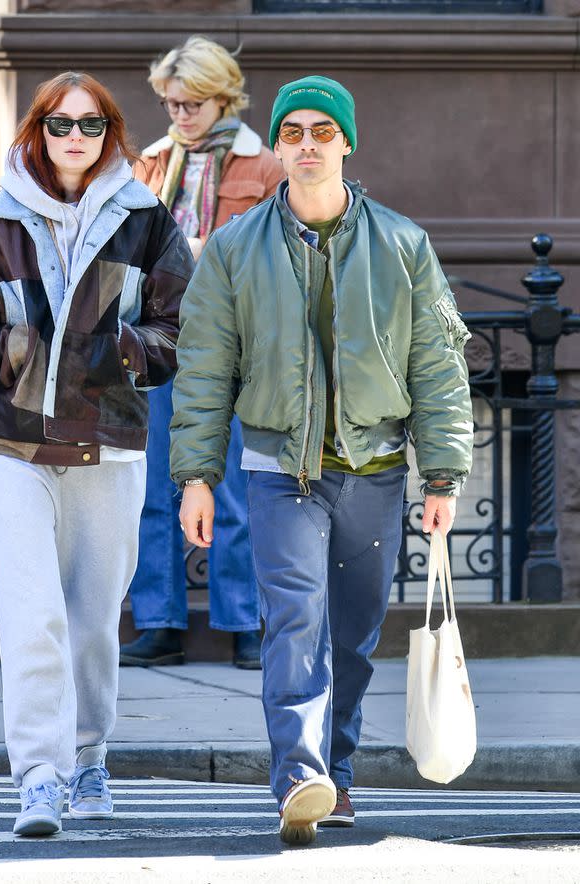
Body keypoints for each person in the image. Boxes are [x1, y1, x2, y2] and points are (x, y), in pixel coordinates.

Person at [170, 75, 474, 845]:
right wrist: (198, 476)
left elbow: (436, 363)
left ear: (346, 143)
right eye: (293, 131)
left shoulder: (402, 243)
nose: (307, 144)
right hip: (279, 471)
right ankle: (299, 776)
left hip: (373, 469)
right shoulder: (235, 248)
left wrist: (442, 473)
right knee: (295, 620)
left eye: (322, 132)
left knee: (353, 635)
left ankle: (336, 774)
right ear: (276, 144)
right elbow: (205, 369)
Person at [0, 71, 193, 837]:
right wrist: (16, 344)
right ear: (35, 132)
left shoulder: (147, 222)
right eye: (58, 125)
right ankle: (38, 776)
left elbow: (185, 326)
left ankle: (89, 756)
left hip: (109, 450)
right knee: (32, 616)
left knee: (93, 621)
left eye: (91, 125)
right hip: (15, 447)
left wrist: (121, 354)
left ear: (111, 134)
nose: (74, 139)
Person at [120, 35, 284, 670]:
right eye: (170, 104)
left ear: (223, 98)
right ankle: (160, 622)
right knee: (158, 484)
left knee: (236, 487)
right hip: (162, 344)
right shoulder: (153, 164)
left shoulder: (263, 168)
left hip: (237, 347)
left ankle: (244, 622)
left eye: (191, 104)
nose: (179, 116)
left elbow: (281, 262)